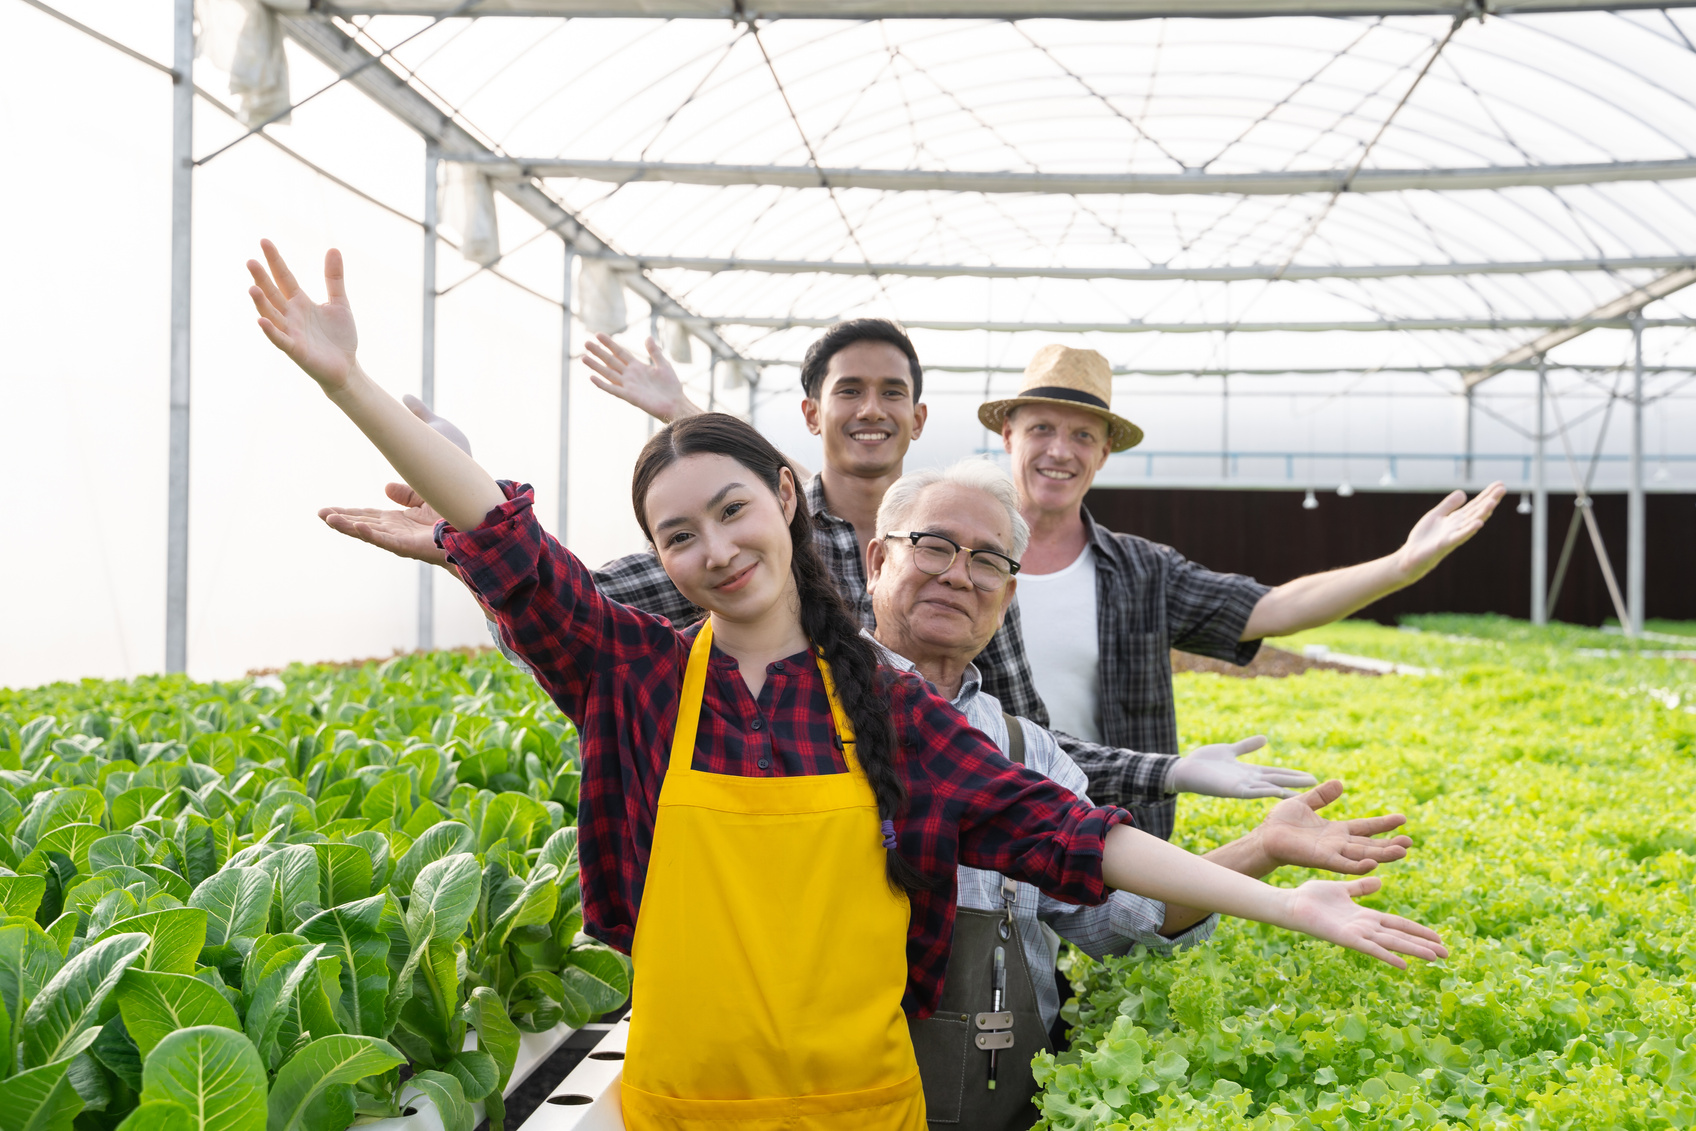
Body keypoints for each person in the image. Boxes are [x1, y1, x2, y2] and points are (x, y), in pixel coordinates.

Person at [246, 241, 1447, 1130]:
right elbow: (506, 541)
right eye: (677, 537)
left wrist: (1288, 896)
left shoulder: (896, 718)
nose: (714, 549)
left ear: (787, 503)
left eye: (731, 511)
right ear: (659, 562)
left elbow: (1080, 839)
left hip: (867, 1106)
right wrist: (348, 385)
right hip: (673, 1104)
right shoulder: (634, 678)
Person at [319, 324, 1319, 811]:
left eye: (893, 393)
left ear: (921, 420)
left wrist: (1166, 776)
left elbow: (1013, 744)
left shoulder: (955, 555)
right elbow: (568, 609)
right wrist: (468, 531)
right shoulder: (750, 549)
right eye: (849, 391)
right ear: (811, 416)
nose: (871, 409)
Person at [863, 459, 1416, 1129]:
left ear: (1006, 597)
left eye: (986, 560)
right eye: (935, 545)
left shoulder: (1027, 751)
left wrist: (1263, 847)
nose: (957, 573)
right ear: (876, 559)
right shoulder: (807, 712)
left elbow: (1122, 915)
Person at [979, 345, 1507, 837]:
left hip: (1111, 834)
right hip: (988, 823)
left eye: (1083, 436)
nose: (1059, 451)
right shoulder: (961, 557)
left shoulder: (1142, 571)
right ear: (1009, 436)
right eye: (1041, 428)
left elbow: (1273, 608)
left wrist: (1400, 566)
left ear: (1105, 452)